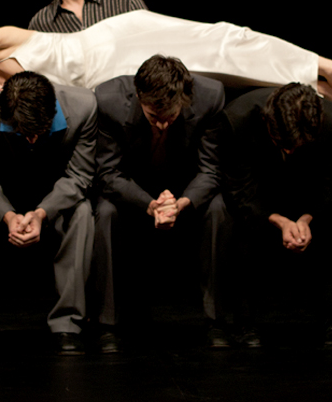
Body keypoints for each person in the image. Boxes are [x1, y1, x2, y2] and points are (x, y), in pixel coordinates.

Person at [0, 10, 332, 107]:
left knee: (223, 42)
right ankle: (329, 95)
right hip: (107, 76)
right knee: (227, 80)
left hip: (111, 42)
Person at [0, 71, 97, 356]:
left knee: (82, 213)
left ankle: (68, 324)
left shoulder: (84, 106)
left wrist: (42, 213)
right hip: (2, 195)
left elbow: (80, 175)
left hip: (55, 195)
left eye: (37, 133)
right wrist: (7, 214)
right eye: (22, 133)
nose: (31, 140)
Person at [90, 56, 231, 351]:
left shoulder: (211, 96)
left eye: (171, 115)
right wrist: (149, 204)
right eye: (153, 116)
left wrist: (181, 203)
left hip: (184, 189)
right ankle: (107, 324)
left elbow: (210, 170)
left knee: (217, 208)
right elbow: (108, 173)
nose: (163, 124)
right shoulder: (108, 99)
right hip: (132, 190)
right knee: (105, 211)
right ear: (138, 97)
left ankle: (216, 321)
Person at [220, 83, 332, 346]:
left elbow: (330, 183)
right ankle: (244, 324)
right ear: (266, 120)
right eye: (282, 143)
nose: (290, 151)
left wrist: (307, 217)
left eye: (297, 146)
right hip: (258, 197)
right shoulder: (238, 119)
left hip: (307, 197)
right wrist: (277, 220)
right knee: (234, 228)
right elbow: (237, 186)